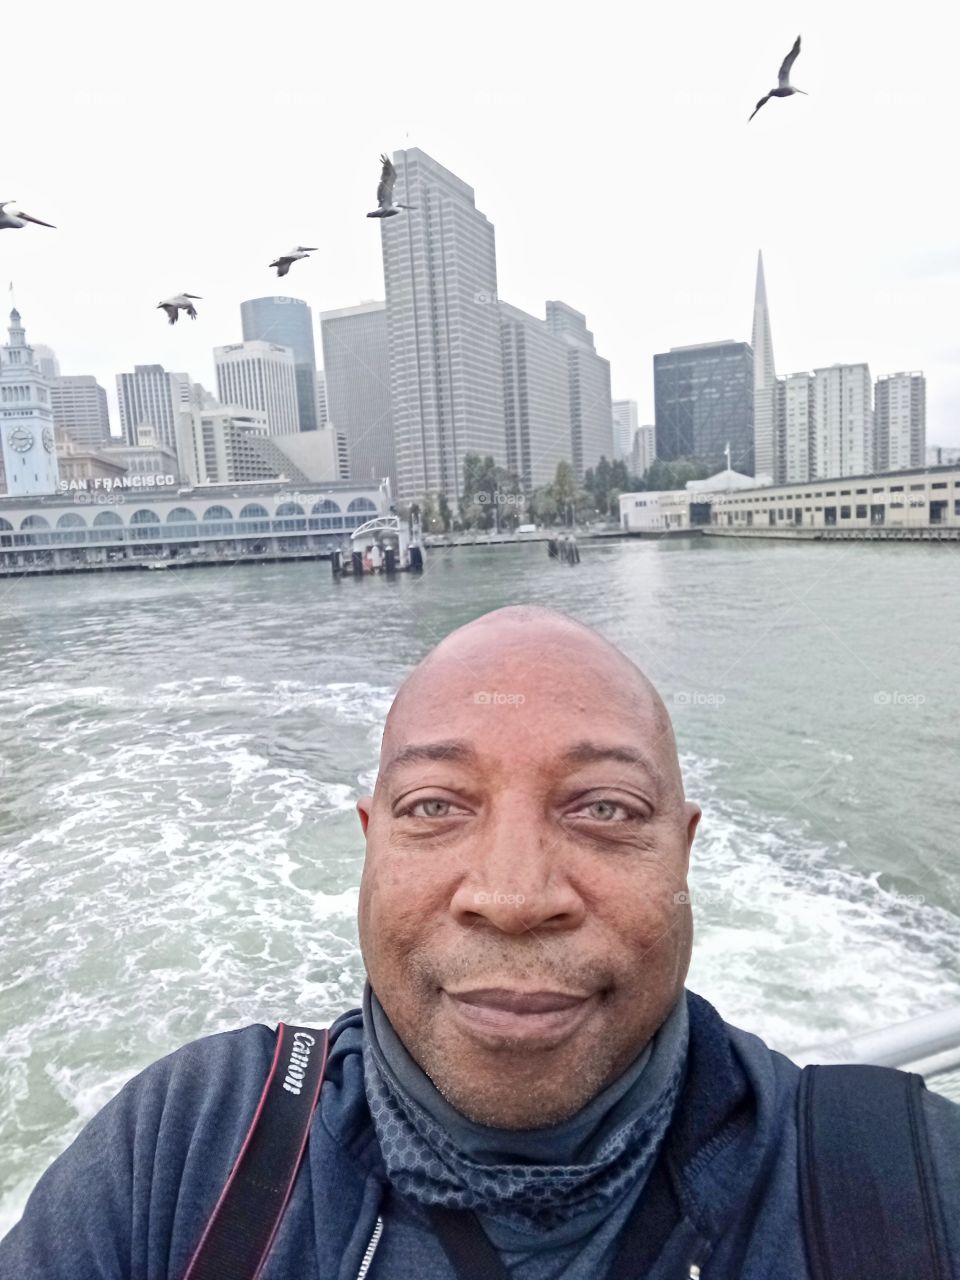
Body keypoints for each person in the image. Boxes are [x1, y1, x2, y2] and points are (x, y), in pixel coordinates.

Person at [1, 605, 958, 1279]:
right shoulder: (190, 1151)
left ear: (683, 852)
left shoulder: (904, 1187)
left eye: (606, 809)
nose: (511, 895)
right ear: (372, 846)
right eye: (435, 807)